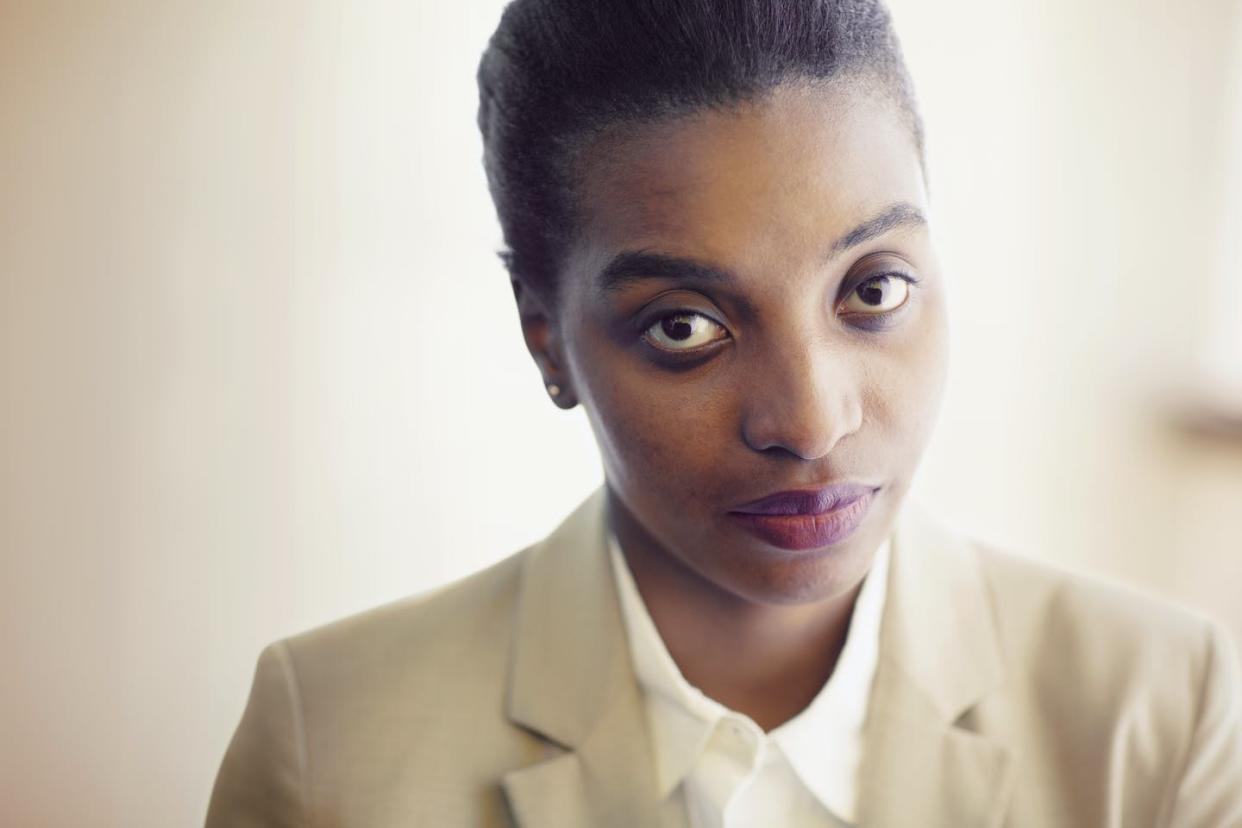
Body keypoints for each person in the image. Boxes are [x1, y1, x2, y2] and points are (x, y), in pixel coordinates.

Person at [205, 1, 1242, 825]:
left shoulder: (1157, 712)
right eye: (686, 328)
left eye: (872, 290)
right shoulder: (332, 740)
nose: (810, 419)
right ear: (546, 337)